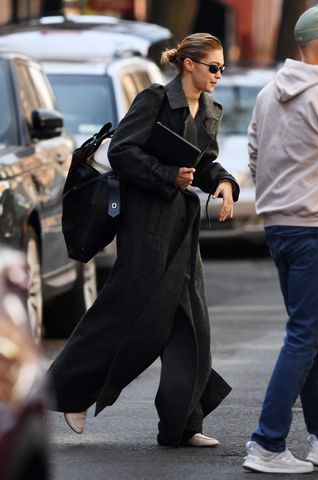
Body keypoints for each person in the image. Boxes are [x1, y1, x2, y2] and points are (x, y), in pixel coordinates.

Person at [48, 32, 240, 448]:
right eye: (214, 67)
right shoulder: (154, 99)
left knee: (191, 323)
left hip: (182, 230)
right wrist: (167, 175)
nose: (219, 75)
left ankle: (183, 424)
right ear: (188, 64)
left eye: (222, 68)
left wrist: (222, 182)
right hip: (145, 226)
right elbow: (122, 152)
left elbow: (204, 161)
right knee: (124, 311)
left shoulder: (209, 108)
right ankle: (71, 393)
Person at [243, 5, 318, 474]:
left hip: (280, 226)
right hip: (313, 226)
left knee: (311, 335)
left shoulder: (269, 93)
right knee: (305, 335)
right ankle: (267, 443)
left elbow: (254, 154)